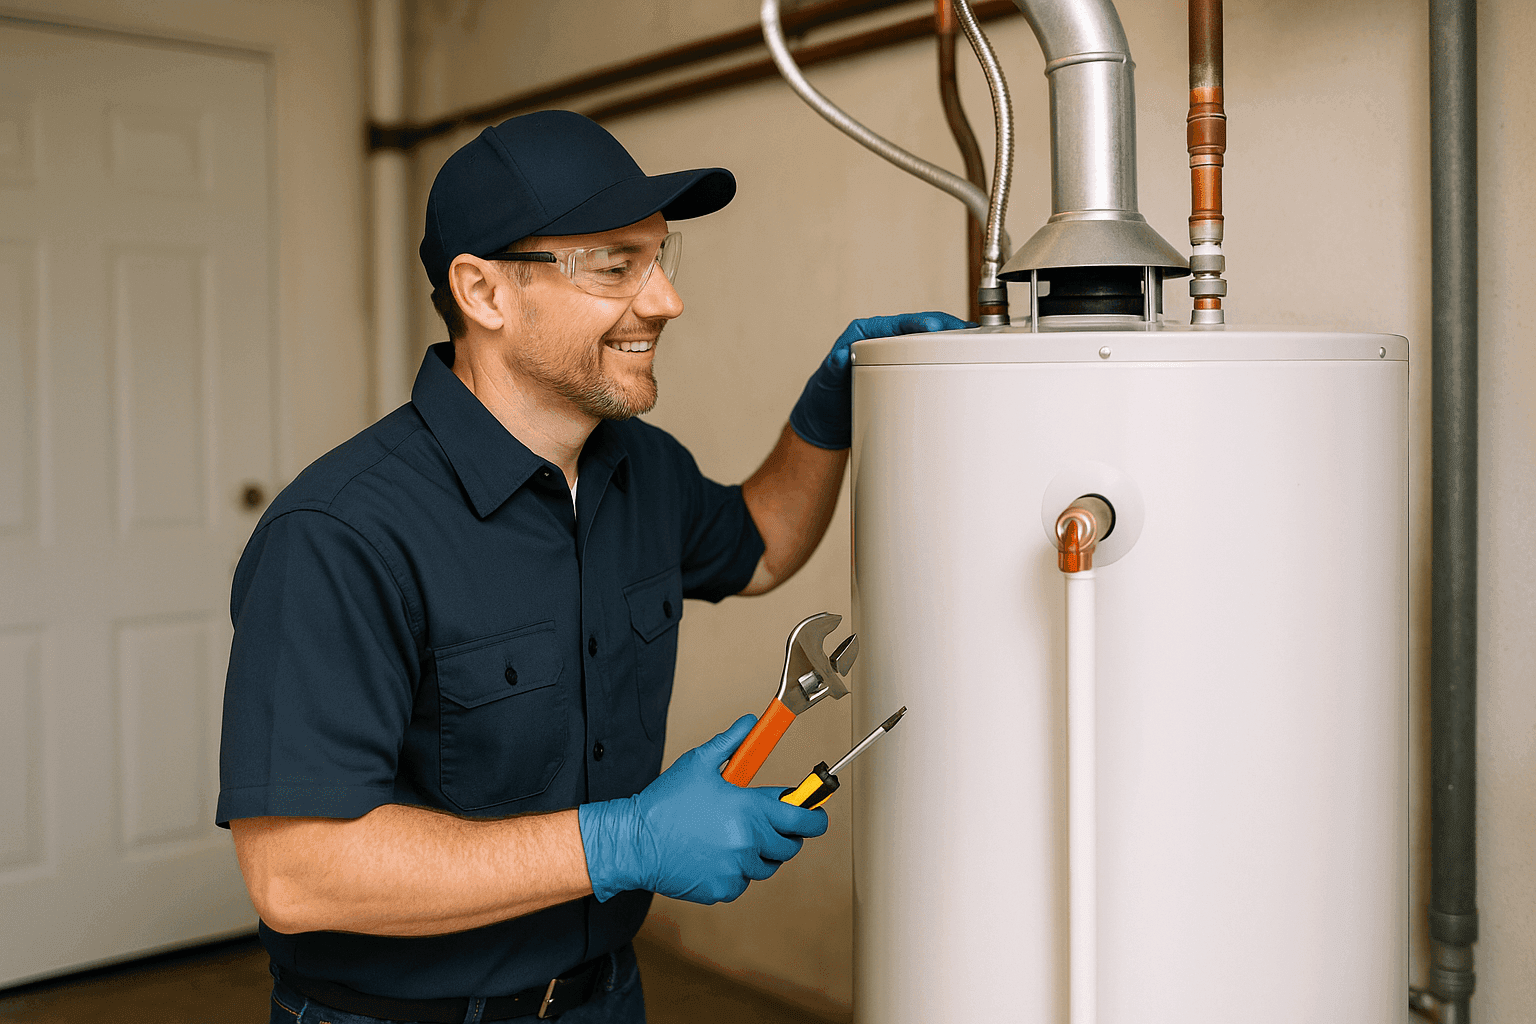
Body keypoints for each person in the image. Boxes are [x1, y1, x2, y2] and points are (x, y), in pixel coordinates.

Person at [217, 110, 966, 1024]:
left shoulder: (637, 467)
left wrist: (827, 417)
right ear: (483, 292)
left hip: (603, 998)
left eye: (659, 258)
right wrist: (628, 840)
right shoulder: (340, 533)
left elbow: (761, 542)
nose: (663, 301)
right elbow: (298, 874)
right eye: (615, 266)